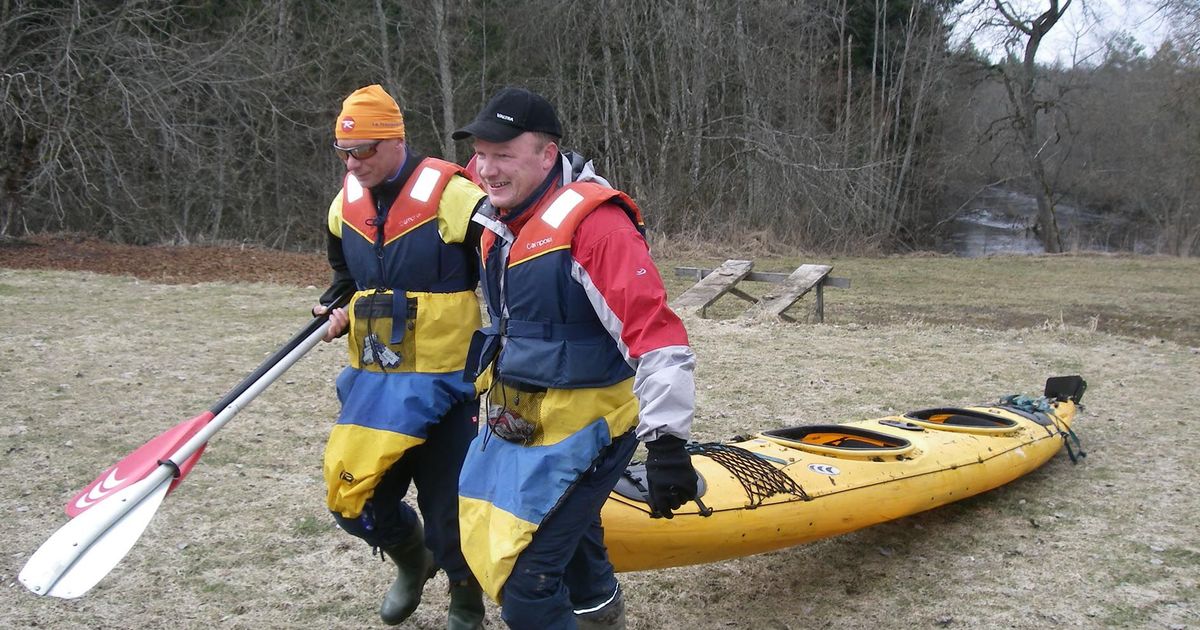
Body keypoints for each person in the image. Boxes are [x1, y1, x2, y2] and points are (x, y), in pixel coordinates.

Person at [452, 87, 700, 629]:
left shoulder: (598, 227)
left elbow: (657, 338)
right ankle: (600, 609)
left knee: (527, 585)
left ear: (547, 154)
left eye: (504, 154)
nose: (487, 169)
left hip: (594, 429)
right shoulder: (499, 217)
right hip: (524, 420)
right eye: (482, 153)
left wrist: (667, 446)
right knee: (537, 533)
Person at [312, 84, 486, 629]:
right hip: (376, 380)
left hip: (447, 383)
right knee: (354, 495)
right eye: (344, 151)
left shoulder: (453, 195)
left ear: (395, 140)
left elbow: (504, 274)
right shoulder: (345, 204)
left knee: (448, 509)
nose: (352, 161)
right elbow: (345, 281)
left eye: (363, 149)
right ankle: (412, 560)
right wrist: (333, 310)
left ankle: (465, 596)